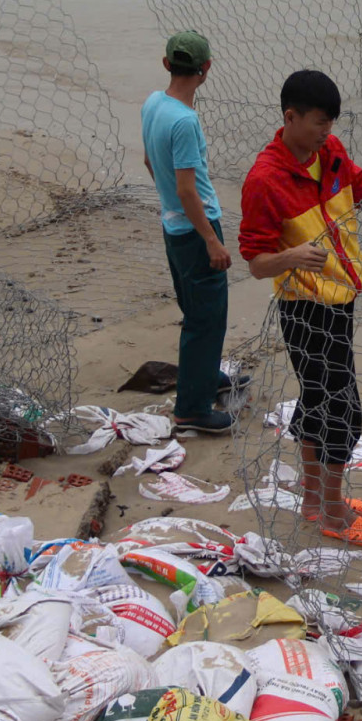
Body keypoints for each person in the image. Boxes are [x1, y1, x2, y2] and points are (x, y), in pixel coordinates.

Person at [239, 69, 362, 548]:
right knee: (342, 408)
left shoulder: (333, 154)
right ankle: (335, 512)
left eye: (331, 122)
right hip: (303, 308)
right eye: (319, 122)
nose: (327, 131)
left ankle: (313, 499)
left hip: (340, 301)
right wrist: (292, 257)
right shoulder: (264, 180)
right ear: (290, 117)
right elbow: (256, 263)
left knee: (315, 398)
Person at [142, 32, 239, 437]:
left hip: (173, 224)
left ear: (167, 64)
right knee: (207, 317)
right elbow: (187, 189)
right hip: (195, 227)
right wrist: (211, 239)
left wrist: (172, 204)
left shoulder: (153, 103)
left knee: (196, 309)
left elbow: (150, 160)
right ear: (207, 69)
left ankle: (204, 375)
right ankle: (191, 410)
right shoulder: (185, 120)